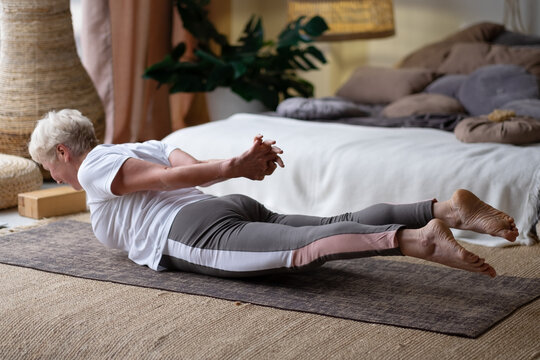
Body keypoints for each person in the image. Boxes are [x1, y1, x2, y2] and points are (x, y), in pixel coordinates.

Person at [29, 109, 519, 278]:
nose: (53, 178)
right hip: (219, 208)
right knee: (329, 223)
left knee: (304, 250)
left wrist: (234, 166)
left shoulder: (94, 166)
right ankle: (444, 209)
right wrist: (232, 171)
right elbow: (183, 168)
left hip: (191, 231)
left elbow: (157, 181)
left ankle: (418, 240)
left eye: (48, 167)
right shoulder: (136, 145)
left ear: (63, 153)